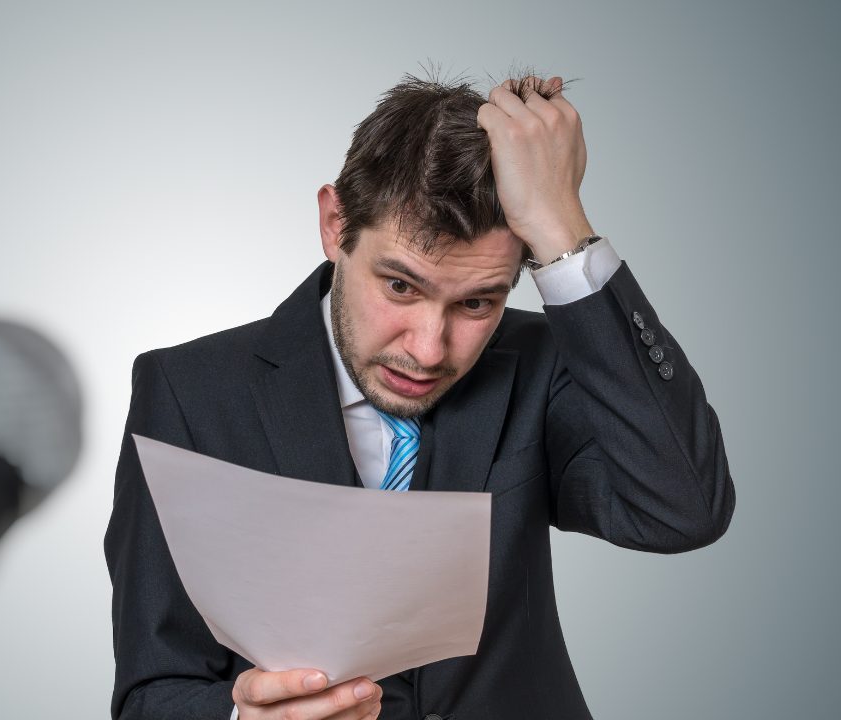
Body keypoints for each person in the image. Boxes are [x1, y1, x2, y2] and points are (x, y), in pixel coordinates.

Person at [103, 73, 735, 720]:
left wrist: (560, 227)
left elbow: (681, 507)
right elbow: (153, 692)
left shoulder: (545, 364)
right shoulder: (187, 394)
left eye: (477, 302)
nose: (430, 350)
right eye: (401, 288)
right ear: (333, 223)